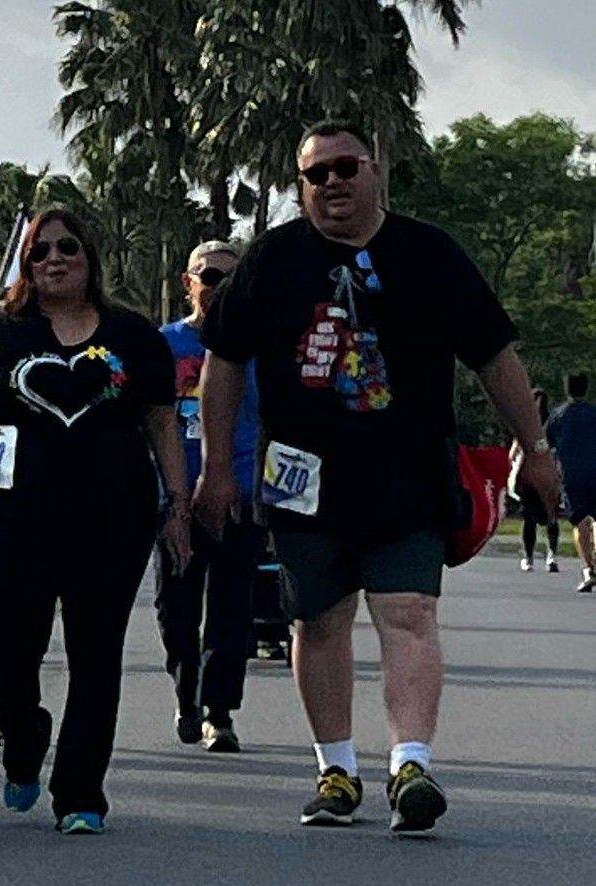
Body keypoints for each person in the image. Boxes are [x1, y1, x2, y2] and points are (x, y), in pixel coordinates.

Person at [195, 120, 561, 837]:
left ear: (374, 170)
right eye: (315, 175)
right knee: (318, 621)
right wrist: (214, 468)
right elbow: (224, 362)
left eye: (344, 168)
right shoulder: (272, 258)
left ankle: (409, 764)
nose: (331, 183)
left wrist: (536, 447)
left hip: (408, 474)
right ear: (301, 187)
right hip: (303, 479)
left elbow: (494, 356)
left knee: (409, 614)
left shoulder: (428, 254)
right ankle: (335, 770)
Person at [0, 208, 192, 835]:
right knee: (8, 649)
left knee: (96, 653)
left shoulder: (133, 336)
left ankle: (82, 793)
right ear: (27, 264)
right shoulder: (0, 335)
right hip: (13, 518)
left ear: (91, 260)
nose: (55, 259)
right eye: (41, 251)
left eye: (69, 248)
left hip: (113, 517)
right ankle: (23, 740)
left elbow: (163, 421)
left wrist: (179, 505)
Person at [156, 240, 263, 753]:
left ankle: (219, 711)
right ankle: (186, 692)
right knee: (175, 605)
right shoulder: (164, 345)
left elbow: (266, 422)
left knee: (230, 605)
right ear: (189, 282)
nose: (218, 287)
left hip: (237, 492)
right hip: (176, 496)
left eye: (229, 278)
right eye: (209, 277)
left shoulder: (257, 347)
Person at [546, 372, 596, 592]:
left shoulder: (558, 416)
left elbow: (547, 446)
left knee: (580, 521)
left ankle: (588, 569)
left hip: (571, 476)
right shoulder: (594, 414)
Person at [509, 389, 561, 573]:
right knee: (529, 517)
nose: (537, 407)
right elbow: (514, 449)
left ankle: (552, 555)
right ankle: (528, 557)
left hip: (547, 475)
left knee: (551, 516)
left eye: (540, 403)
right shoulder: (523, 423)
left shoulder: (551, 423)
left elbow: (555, 447)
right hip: (528, 476)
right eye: (534, 402)